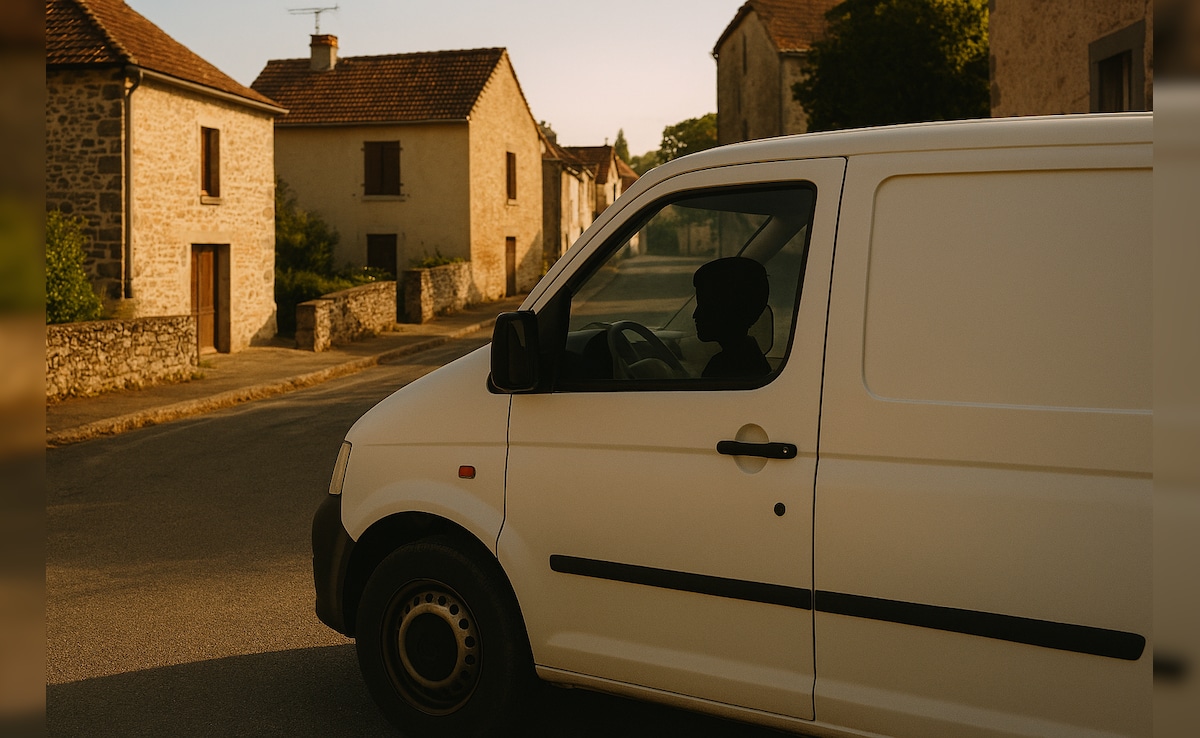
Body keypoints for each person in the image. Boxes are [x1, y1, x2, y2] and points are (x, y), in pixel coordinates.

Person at [692, 256, 771, 379]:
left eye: (705, 306)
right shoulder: (751, 358)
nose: (695, 315)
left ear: (730, 310)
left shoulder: (724, 369)